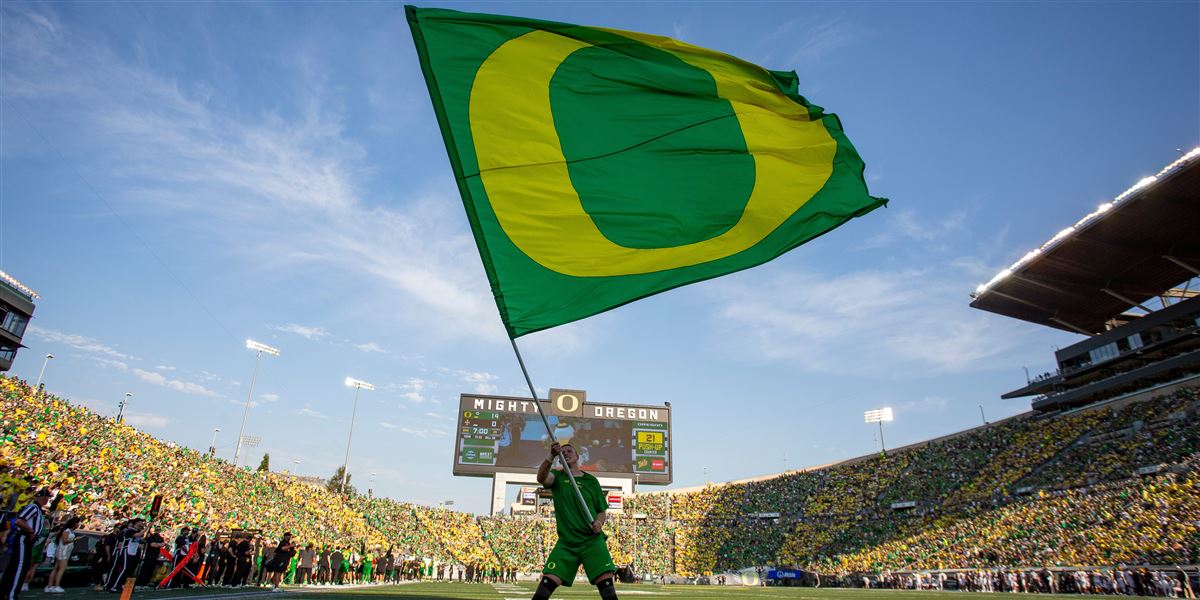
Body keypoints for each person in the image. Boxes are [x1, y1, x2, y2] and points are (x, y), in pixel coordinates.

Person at [531, 443, 617, 600]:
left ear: (577, 456)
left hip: (592, 541)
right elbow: (541, 477)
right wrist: (551, 455)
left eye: (569, 451)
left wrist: (599, 523)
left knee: (608, 592)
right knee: (543, 590)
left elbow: (601, 511)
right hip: (567, 543)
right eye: (562, 452)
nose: (566, 453)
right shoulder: (557, 477)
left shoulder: (591, 481)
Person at [0, 488, 50, 600]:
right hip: (24, 538)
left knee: (17, 566)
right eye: (45, 497)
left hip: (27, 539)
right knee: (20, 567)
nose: (46, 499)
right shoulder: (33, 507)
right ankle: (11, 595)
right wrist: (31, 532)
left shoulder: (37, 509)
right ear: (40, 497)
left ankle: (5, 592)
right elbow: (19, 521)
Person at [45, 515, 79, 593]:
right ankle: (56, 585)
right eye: (77, 523)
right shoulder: (66, 530)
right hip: (63, 550)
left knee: (57, 568)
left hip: (66, 551)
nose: (78, 525)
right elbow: (64, 541)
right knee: (62, 568)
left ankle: (50, 586)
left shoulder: (70, 530)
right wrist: (74, 539)